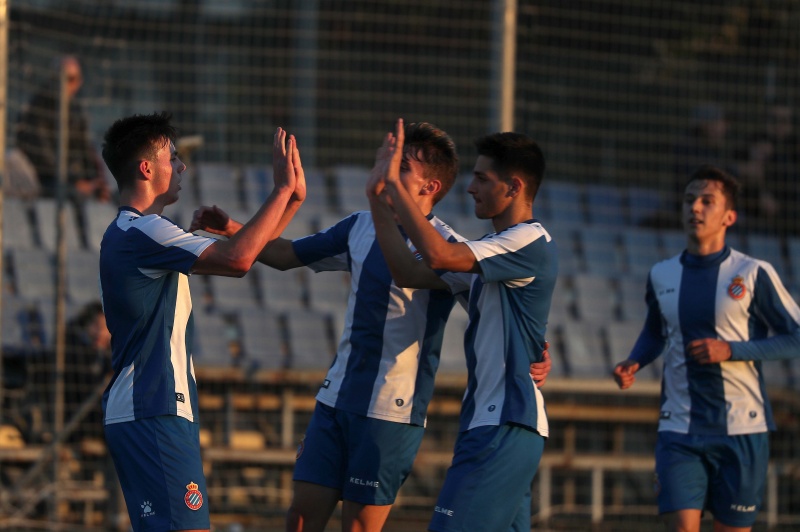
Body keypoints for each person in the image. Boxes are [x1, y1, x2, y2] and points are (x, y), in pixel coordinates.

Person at [189, 121, 552, 532]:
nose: (387, 172)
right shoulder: (360, 226)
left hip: (391, 410)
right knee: (300, 518)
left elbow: (494, 309)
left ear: (430, 186)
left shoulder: (449, 249)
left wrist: (536, 350)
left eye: (401, 168)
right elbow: (287, 255)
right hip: (337, 397)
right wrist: (235, 230)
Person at [99, 111, 305, 532]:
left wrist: (291, 199)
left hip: (150, 409)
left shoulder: (137, 232)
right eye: (173, 157)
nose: (181, 167)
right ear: (146, 168)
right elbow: (239, 259)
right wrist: (281, 190)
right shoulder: (144, 231)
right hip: (153, 407)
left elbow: (247, 250)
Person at [367, 119, 556, 532]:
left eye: (482, 179)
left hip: (504, 423)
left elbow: (438, 255)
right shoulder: (488, 253)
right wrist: (379, 202)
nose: (470, 188)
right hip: (492, 423)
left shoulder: (528, 239)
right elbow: (408, 272)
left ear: (514, 187)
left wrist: (394, 185)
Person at [612, 165, 800, 532]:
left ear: (729, 216)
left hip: (742, 428)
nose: (695, 207)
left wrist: (732, 350)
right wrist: (635, 360)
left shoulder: (754, 273)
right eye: (689, 200)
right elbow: (655, 332)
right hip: (679, 427)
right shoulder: (662, 274)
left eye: (707, 201)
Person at [15, 55, 109, 202]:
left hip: (70, 176)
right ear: (53, 79)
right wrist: (74, 182)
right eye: (62, 78)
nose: (67, 84)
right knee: (72, 193)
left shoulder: (75, 110)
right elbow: (42, 155)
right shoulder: (39, 108)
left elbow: (84, 149)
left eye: (72, 79)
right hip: (45, 178)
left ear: (79, 82)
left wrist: (95, 179)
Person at [64, 300, 112, 443]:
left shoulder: (113, 356)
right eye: (96, 326)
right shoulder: (75, 355)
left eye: (105, 328)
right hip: (79, 427)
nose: (100, 333)